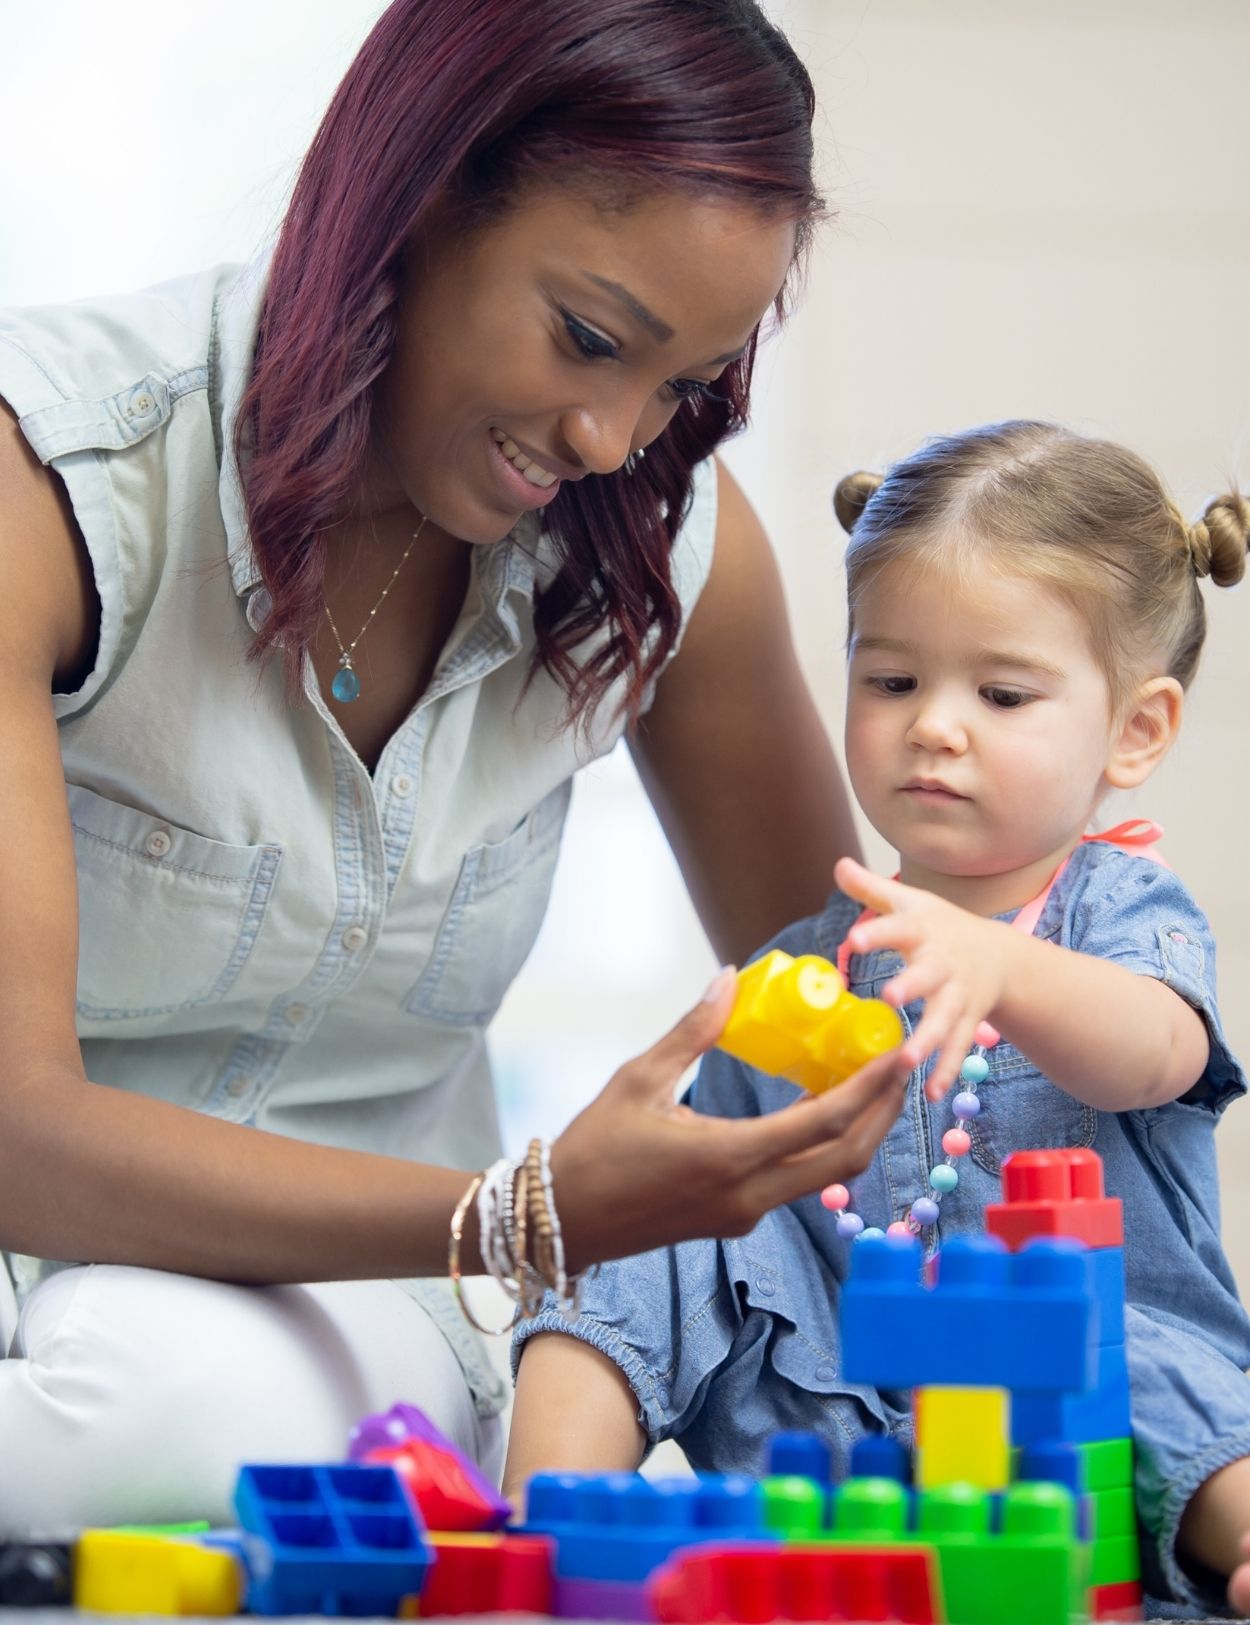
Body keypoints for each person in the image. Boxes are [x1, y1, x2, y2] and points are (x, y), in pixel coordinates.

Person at [0, 0, 914, 1534]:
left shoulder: (665, 558)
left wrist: (1040, 922)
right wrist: (518, 1213)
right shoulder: (59, 486)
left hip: (329, 1315)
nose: (611, 435)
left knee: (181, 1401)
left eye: (681, 384)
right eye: (589, 337)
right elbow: (17, 1135)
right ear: (415, 196)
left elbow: (851, 1017)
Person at [506, 420, 1250, 1618]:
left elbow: (1155, 1052)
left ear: (1134, 729)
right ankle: (537, 1522)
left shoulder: (1116, 909)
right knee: (631, 1234)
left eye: (1000, 692)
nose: (931, 723)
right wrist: (663, 1157)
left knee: (1152, 1362)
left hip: (1068, 1414)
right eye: (889, 678)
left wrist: (1000, 969)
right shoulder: (810, 958)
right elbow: (729, 1206)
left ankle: (1234, 1534)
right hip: (840, 1399)